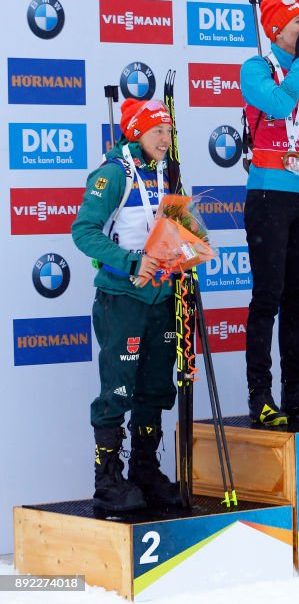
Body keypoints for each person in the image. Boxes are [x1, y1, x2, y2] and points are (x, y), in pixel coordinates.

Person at [71, 98, 183, 512]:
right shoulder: (113, 174)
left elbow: (167, 227)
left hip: (161, 297)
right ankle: (107, 480)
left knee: (155, 386)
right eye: (157, 131)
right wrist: (130, 261)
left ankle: (144, 469)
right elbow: (83, 231)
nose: (165, 139)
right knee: (118, 387)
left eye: (168, 132)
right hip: (122, 298)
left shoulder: (165, 173)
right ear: (135, 131)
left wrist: (186, 250)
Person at [241, 0, 299, 426]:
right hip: (268, 198)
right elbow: (279, 105)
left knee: (297, 299)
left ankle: (296, 392)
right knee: (268, 297)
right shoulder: (257, 68)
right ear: (276, 31)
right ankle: (261, 395)